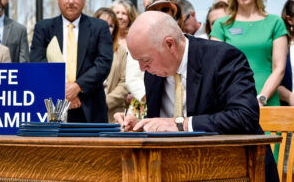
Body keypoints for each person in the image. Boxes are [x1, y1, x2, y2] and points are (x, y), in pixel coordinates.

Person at [114, 11, 278, 182]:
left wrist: (181, 124)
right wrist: (139, 123)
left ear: (170, 44)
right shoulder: (153, 70)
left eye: (145, 60)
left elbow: (245, 117)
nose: (141, 68)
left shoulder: (223, 58)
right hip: (175, 170)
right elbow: (160, 120)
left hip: (232, 169)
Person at [30, 0, 113, 123]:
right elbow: (37, 62)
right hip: (53, 106)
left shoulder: (99, 27)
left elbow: (103, 63)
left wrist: (77, 87)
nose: (70, 1)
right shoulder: (43, 28)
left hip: (90, 108)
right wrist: (62, 88)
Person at [210, 0, 287, 106]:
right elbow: (215, 67)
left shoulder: (275, 22)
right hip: (231, 100)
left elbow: (279, 68)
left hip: (267, 100)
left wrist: (262, 98)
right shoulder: (221, 25)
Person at [94, 7, 128, 122]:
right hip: (88, 112)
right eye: (102, 24)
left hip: (114, 114)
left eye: (110, 26)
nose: (106, 29)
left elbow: (125, 82)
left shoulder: (121, 51)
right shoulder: (83, 51)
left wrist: (104, 102)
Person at [278, 0, 294, 105]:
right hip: (287, 114)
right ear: (290, 20)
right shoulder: (280, 46)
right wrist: (289, 97)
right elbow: (272, 81)